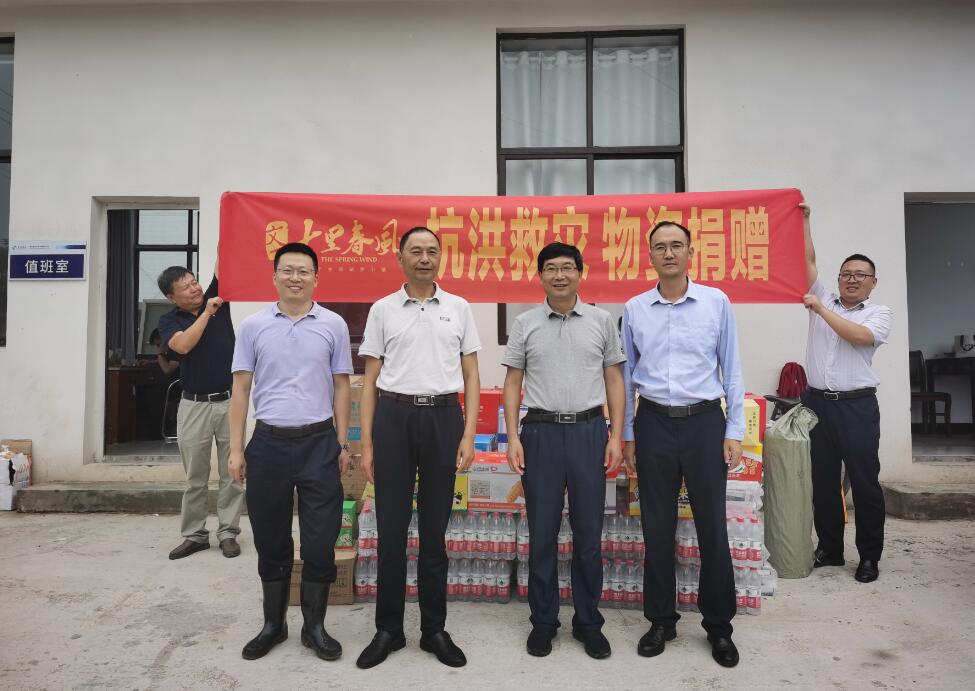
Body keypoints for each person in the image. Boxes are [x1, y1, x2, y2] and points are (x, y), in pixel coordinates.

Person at [355, 226, 481, 670]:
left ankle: (433, 630)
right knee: (390, 531)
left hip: (444, 419)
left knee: (433, 532)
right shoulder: (382, 309)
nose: (424, 258)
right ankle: (388, 629)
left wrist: (468, 434)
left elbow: (471, 374)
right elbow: (370, 379)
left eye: (431, 251)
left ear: (441, 257)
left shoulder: (459, 308)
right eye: (415, 251)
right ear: (400, 258)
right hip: (394, 417)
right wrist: (367, 440)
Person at [621, 221, 743, 668]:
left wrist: (734, 430)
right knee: (656, 529)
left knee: (713, 529)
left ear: (691, 252)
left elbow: (731, 368)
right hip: (653, 422)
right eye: (660, 247)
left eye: (676, 245)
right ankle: (661, 621)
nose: (668, 253)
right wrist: (628, 434)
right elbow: (626, 377)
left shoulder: (716, 302)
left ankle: (719, 626)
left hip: (705, 422)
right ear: (650, 255)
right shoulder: (635, 308)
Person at [228, 242, 354, 662]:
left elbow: (341, 385)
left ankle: (314, 627)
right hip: (268, 444)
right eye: (287, 270)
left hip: (319, 443)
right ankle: (274, 624)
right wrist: (236, 449)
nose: (295, 278)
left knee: (320, 541)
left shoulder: (333, 324)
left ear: (316, 278)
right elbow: (241, 389)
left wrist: (342, 441)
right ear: (275, 276)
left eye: (303, 271)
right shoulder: (254, 326)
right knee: (271, 540)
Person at [502, 242, 625, 660]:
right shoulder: (525, 324)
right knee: (543, 536)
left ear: (580, 273)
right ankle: (544, 622)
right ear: (540, 275)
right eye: (551, 268)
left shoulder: (601, 321)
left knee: (589, 536)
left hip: (590, 432)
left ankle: (588, 623)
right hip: (541, 434)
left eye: (567, 268)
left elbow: (614, 380)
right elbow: (513, 383)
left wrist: (615, 436)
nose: (559, 275)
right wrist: (513, 437)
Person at [800, 204, 892, 584]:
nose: (852, 280)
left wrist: (820, 310)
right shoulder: (822, 297)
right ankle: (830, 549)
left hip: (857, 408)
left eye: (860, 275)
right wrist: (805, 221)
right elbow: (808, 260)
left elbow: (858, 337)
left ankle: (869, 556)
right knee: (823, 483)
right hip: (817, 405)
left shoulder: (878, 313)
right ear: (838, 278)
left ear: (873, 282)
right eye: (846, 274)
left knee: (864, 483)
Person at [157, 261, 243, 560]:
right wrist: (207, 313)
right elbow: (182, 346)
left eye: (194, 281)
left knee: (233, 472)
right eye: (185, 287)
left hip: (229, 402)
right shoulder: (170, 320)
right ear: (171, 297)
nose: (194, 288)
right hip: (194, 405)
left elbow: (225, 258)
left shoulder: (219, 299)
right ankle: (195, 535)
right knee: (196, 476)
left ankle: (228, 533)